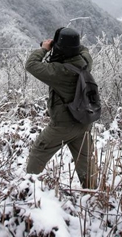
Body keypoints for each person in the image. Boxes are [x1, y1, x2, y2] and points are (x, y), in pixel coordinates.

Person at [25, 27, 96, 189]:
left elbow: (31, 64)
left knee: (38, 152)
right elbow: (84, 50)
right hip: (83, 122)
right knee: (85, 163)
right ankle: (94, 194)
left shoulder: (59, 71)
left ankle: (28, 189)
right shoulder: (85, 62)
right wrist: (69, 44)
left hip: (63, 125)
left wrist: (44, 48)